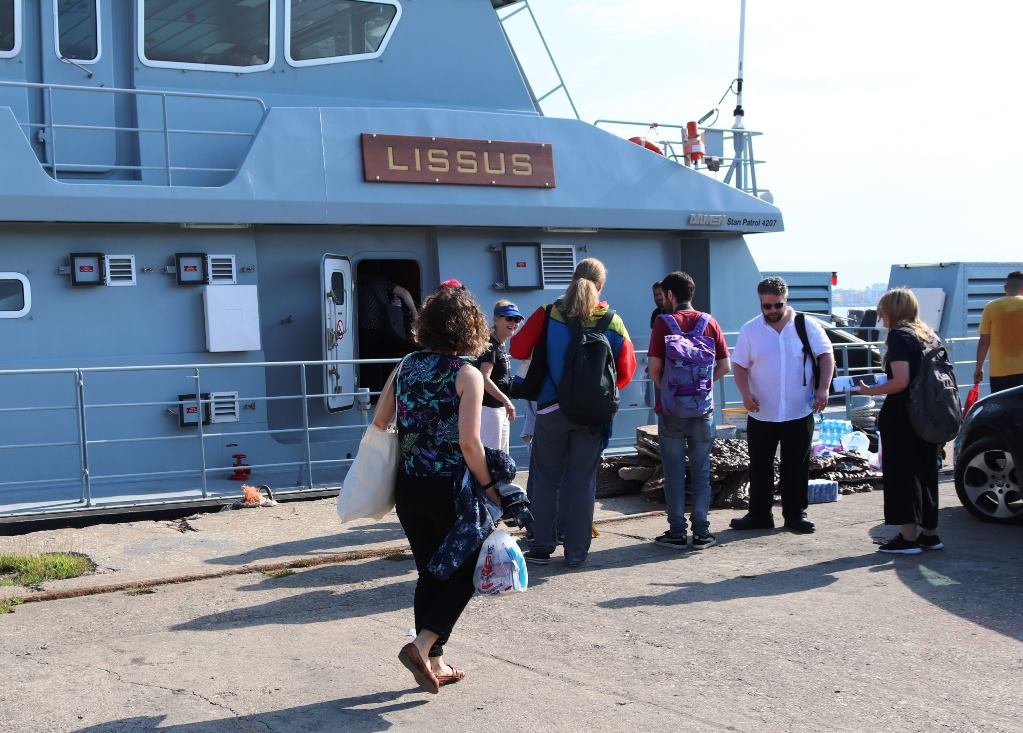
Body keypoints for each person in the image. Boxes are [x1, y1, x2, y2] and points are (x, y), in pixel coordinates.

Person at [370, 283, 497, 693]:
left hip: (409, 486)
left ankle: (436, 661)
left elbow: (380, 420)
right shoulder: (468, 374)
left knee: (430, 571)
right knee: (466, 570)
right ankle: (421, 646)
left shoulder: (405, 366)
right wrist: (491, 486)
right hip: (449, 489)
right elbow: (469, 443)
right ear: (470, 329)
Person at [510, 258, 636, 567]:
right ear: (601, 286)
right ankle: (576, 552)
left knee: (546, 479)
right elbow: (626, 371)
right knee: (583, 483)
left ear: (571, 280)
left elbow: (517, 350)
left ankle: (541, 546)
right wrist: (595, 396)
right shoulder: (612, 320)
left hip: (551, 411)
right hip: (592, 418)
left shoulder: (548, 313)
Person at [730, 277, 835, 534]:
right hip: (762, 412)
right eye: (766, 306)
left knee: (796, 465)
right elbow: (739, 365)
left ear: (785, 301)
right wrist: (745, 394)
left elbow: (826, 355)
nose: (772, 311)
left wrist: (823, 389)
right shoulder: (750, 330)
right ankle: (759, 514)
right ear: (760, 304)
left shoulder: (806, 326)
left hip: (798, 410)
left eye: (777, 305)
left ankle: (796, 515)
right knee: (759, 465)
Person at [647, 271, 731, 550]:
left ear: (670, 295)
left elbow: (656, 368)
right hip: (702, 411)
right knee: (702, 470)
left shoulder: (663, 323)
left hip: (671, 412)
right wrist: (701, 387)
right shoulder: (710, 322)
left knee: (673, 471)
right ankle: (703, 532)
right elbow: (724, 366)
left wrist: (670, 391)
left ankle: (677, 532)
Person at [857, 288, 943, 554]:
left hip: (904, 417)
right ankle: (930, 534)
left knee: (902, 475)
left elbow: (901, 381)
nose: (880, 315)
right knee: (926, 473)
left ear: (893, 310)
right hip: (929, 415)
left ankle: (907, 537)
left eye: (882, 309)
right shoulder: (928, 335)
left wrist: (870, 390)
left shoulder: (899, 337)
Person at [476, 301, 522, 452]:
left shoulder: (499, 344)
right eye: (509, 318)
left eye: (517, 319)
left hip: (498, 409)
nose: (513, 323)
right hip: (489, 410)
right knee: (493, 456)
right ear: (496, 319)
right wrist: (507, 401)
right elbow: (484, 377)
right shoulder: (491, 345)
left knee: (502, 456)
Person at [974, 270, 1023, 393]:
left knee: (1001, 410)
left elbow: (984, 342)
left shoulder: (991, 307)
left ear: (1005, 288)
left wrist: (979, 368)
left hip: (999, 371)